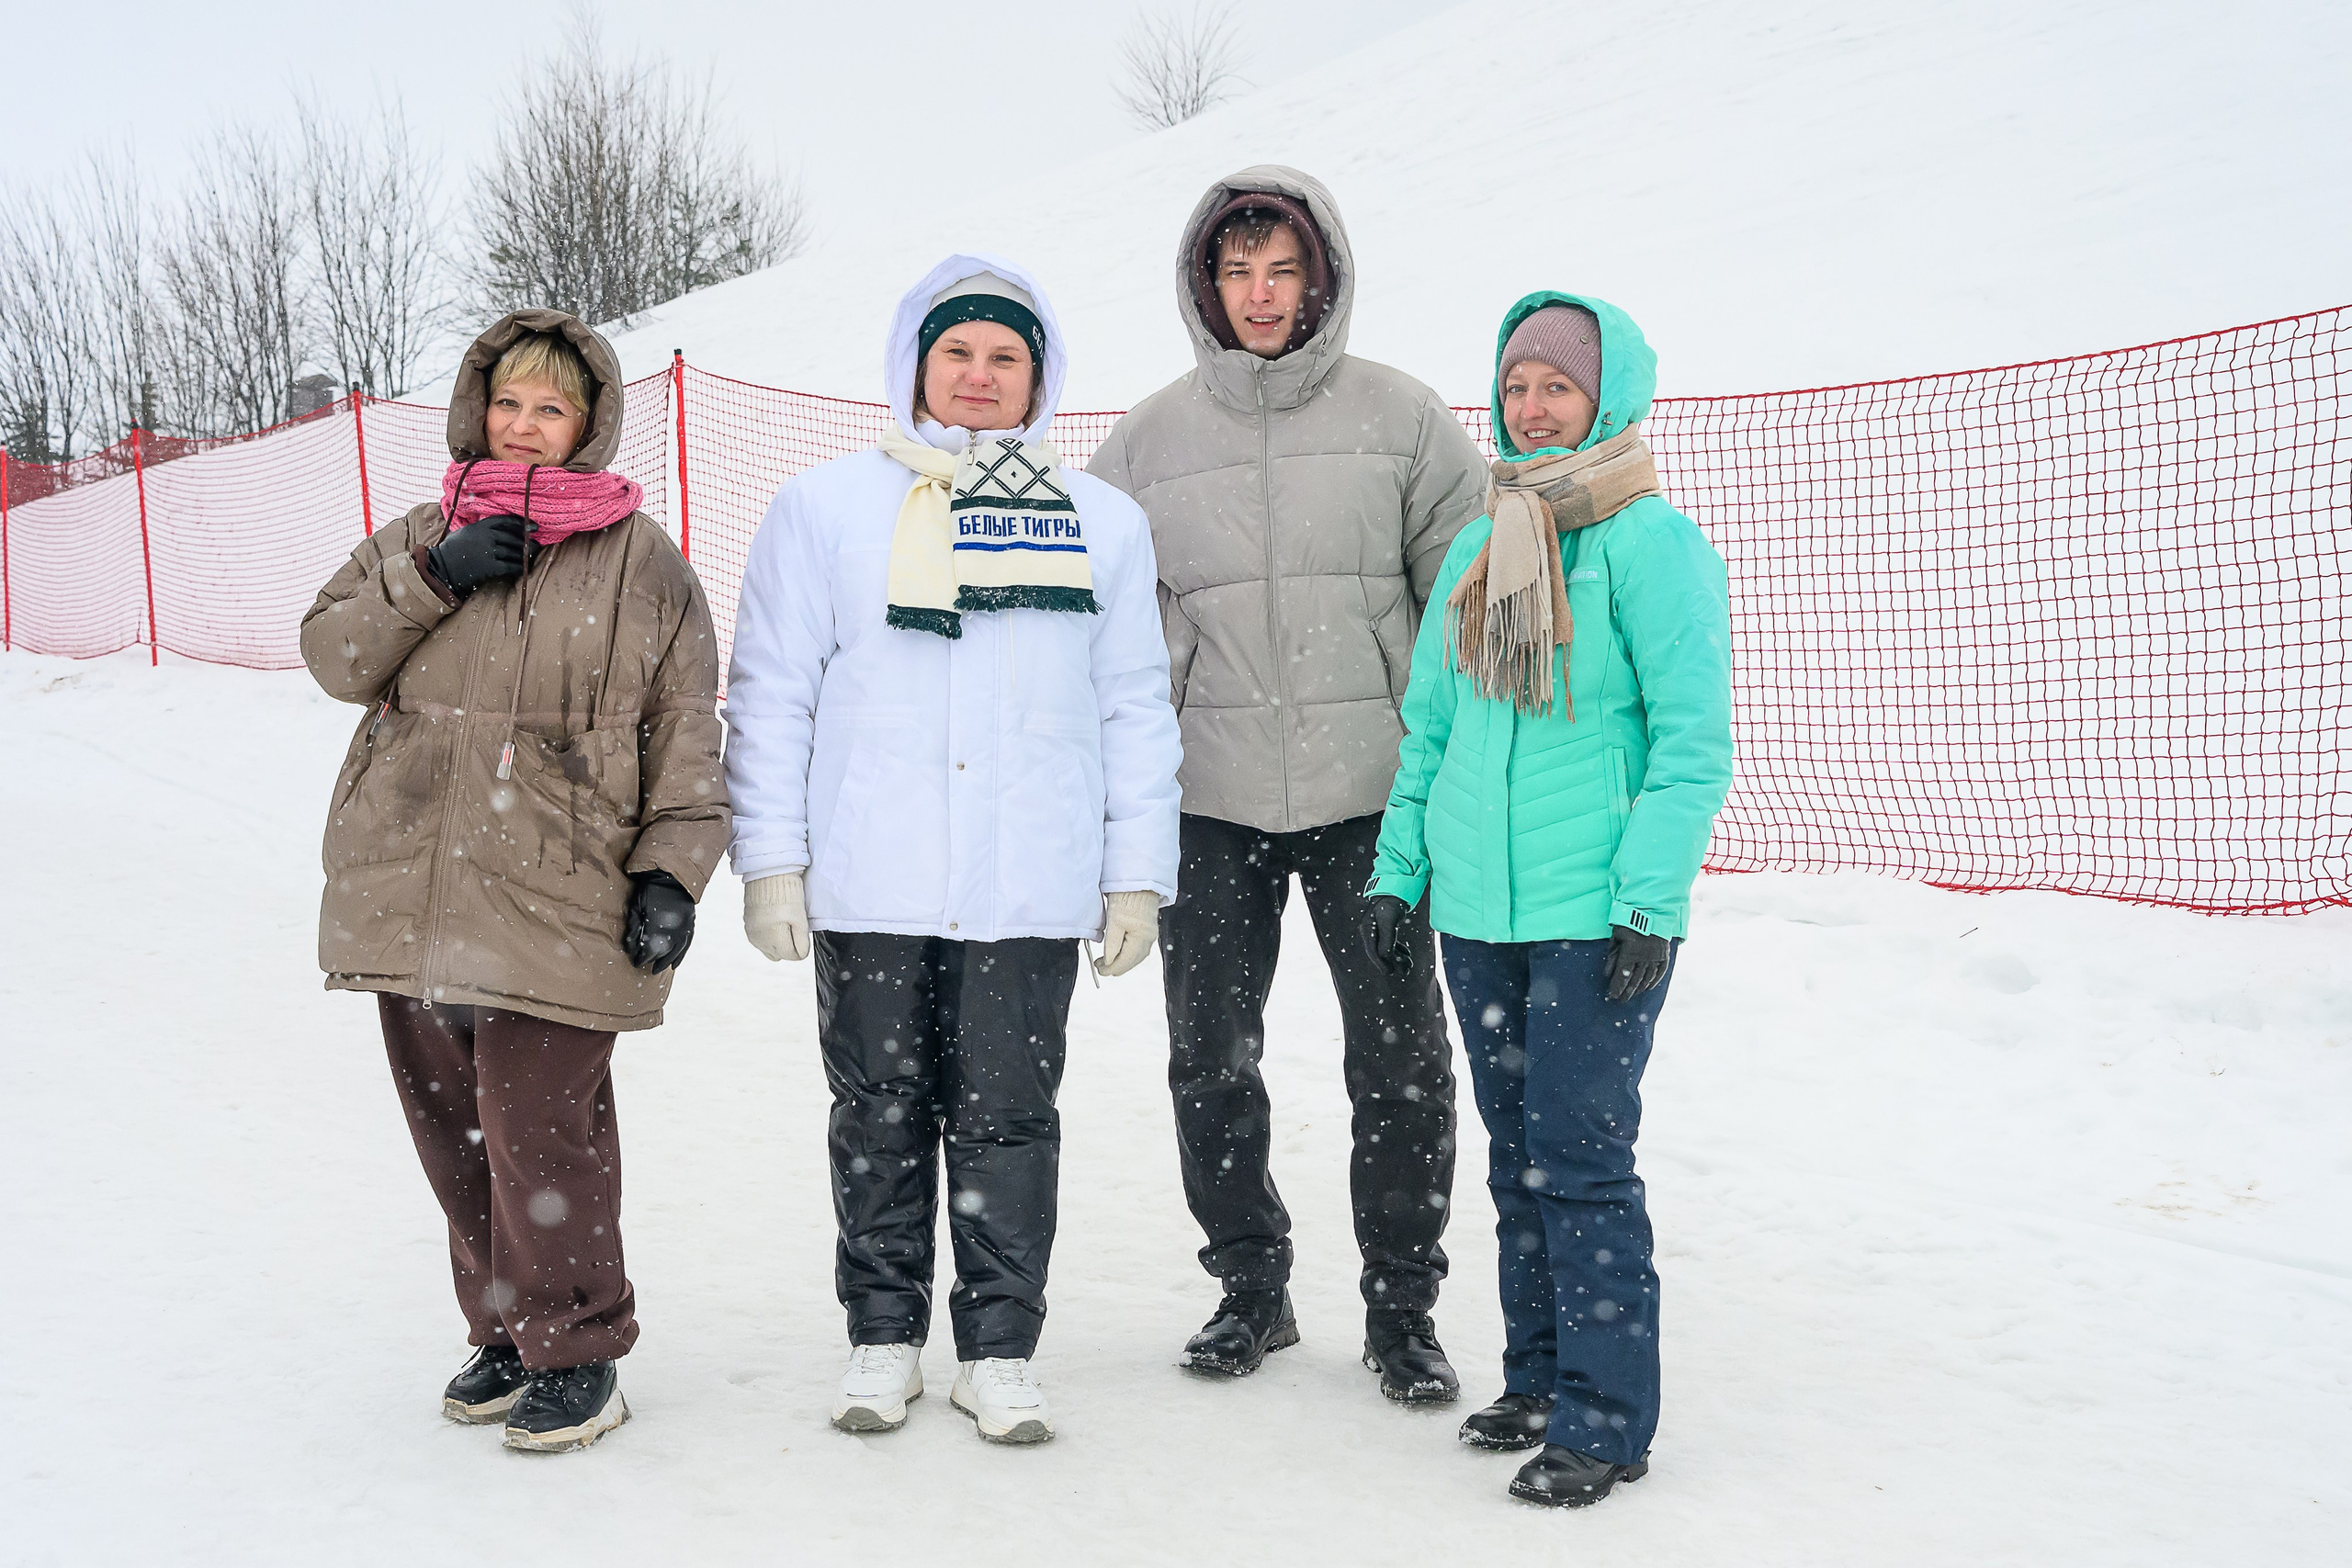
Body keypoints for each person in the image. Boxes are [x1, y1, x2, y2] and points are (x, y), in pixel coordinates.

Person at [725, 254, 1182, 1446]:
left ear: (1040, 377)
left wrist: (1135, 872)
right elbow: (771, 691)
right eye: (958, 352)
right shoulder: (826, 508)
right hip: (871, 874)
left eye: (1005, 356)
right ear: (914, 365)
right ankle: (883, 1333)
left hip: (1028, 878)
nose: (980, 376)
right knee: (878, 1107)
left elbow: (1134, 702)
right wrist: (771, 859)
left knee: (1010, 1117)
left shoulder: (1100, 521)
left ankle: (998, 1349)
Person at [1088, 166, 1488, 1400]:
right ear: (1203, 285)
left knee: (1401, 1059)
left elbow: (1466, 610)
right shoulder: (1145, 443)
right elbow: (1098, 625)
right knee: (1209, 1055)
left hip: (1372, 798)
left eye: (1282, 269)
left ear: (1322, 276)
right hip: (1209, 800)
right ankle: (1250, 1290)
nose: (1260, 294)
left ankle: (1402, 1310)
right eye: (1236, 271)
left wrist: (1451, 778)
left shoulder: (1402, 418)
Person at [300, 310, 730, 1454]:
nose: (526, 427)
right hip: (418, 883)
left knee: (539, 1125)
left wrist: (673, 869)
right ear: (476, 410)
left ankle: (578, 1349)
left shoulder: (642, 564)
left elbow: (686, 726)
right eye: (508, 404)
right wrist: (433, 578)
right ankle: (505, 1331)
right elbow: (333, 656)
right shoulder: (422, 534)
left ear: (589, 425)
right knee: (453, 1126)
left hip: (563, 889)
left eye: (552, 408)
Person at [1361, 293, 1733, 1506]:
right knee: (1518, 1156)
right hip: (1479, 914)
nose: (1531, 407)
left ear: (1604, 397)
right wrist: (1398, 871)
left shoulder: (1651, 545)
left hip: (1591, 916)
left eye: (1556, 386)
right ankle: (1536, 1378)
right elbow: (1430, 729)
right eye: (1517, 385)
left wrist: (1648, 900)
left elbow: (1691, 745)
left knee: (1580, 1157)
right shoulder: (1484, 542)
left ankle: (1607, 1416)